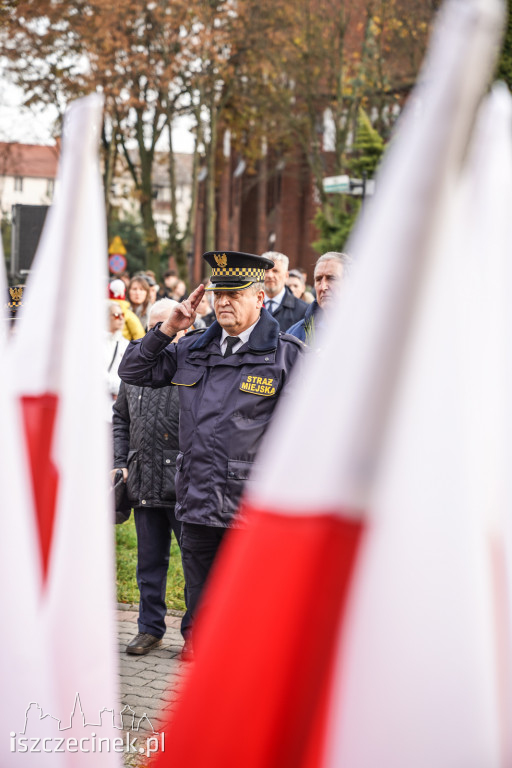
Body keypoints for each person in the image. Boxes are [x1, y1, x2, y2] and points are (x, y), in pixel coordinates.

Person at [119, 250, 304, 658]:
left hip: (250, 508)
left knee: (249, 606)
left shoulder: (285, 356)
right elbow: (132, 371)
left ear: (259, 297)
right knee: (199, 608)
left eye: (234, 294)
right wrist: (169, 328)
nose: (223, 302)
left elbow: (302, 439)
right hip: (198, 499)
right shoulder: (194, 349)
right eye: (218, 293)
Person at [112, 298, 192, 655]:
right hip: (142, 478)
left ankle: (197, 633)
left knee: (194, 563)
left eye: (174, 327)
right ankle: (149, 628)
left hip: (184, 483)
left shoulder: (192, 364)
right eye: (157, 327)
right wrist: (120, 460)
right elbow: (121, 420)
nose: (167, 333)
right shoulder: (136, 371)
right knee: (148, 562)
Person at [287, 252, 348, 345]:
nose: (323, 287)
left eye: (331, 278)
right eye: (318, 279)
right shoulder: (295, 335)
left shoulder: (371, 330)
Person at [261, 251, 307, 332]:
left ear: (286, 276)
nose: (269, 275)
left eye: (275, 271)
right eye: (266, 271)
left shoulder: (303, 310)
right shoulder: (251, 305)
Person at [105, 301, 129, 417]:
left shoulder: (126, 344)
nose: (120, 318)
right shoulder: (97, 343)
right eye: (115, 315)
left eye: (122, 315)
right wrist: (120, 390)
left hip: (119, 406)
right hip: (101, 402)